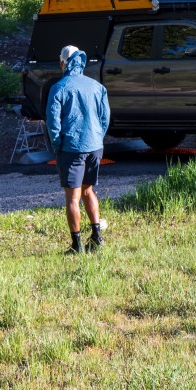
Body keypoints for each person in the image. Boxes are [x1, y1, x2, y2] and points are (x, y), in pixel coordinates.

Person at [44, 44, 111, 253]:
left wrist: (57, 145)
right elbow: (105, 117)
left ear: (62, 63)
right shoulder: (96, 86)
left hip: (71, 148)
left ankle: (77, 245)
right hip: (94, 146)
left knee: (72, 197)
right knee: (88, 190)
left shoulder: (59, 88)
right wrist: (98, 137)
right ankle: (97, 238)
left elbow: (52, 122)